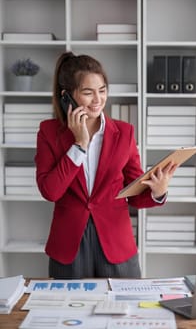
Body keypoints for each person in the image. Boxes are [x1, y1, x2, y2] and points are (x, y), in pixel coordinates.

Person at [35, 51, 177, 279]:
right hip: (69, 245)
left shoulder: (124, 133)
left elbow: (133, 194)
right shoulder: (49, 132)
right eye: (88, 92)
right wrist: (79, 145)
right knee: (66, 311)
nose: (98, 99)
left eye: (102, 91)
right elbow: (51, 191)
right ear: (67, 96)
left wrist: (157, 192)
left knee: (125, 311)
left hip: (116, 244)